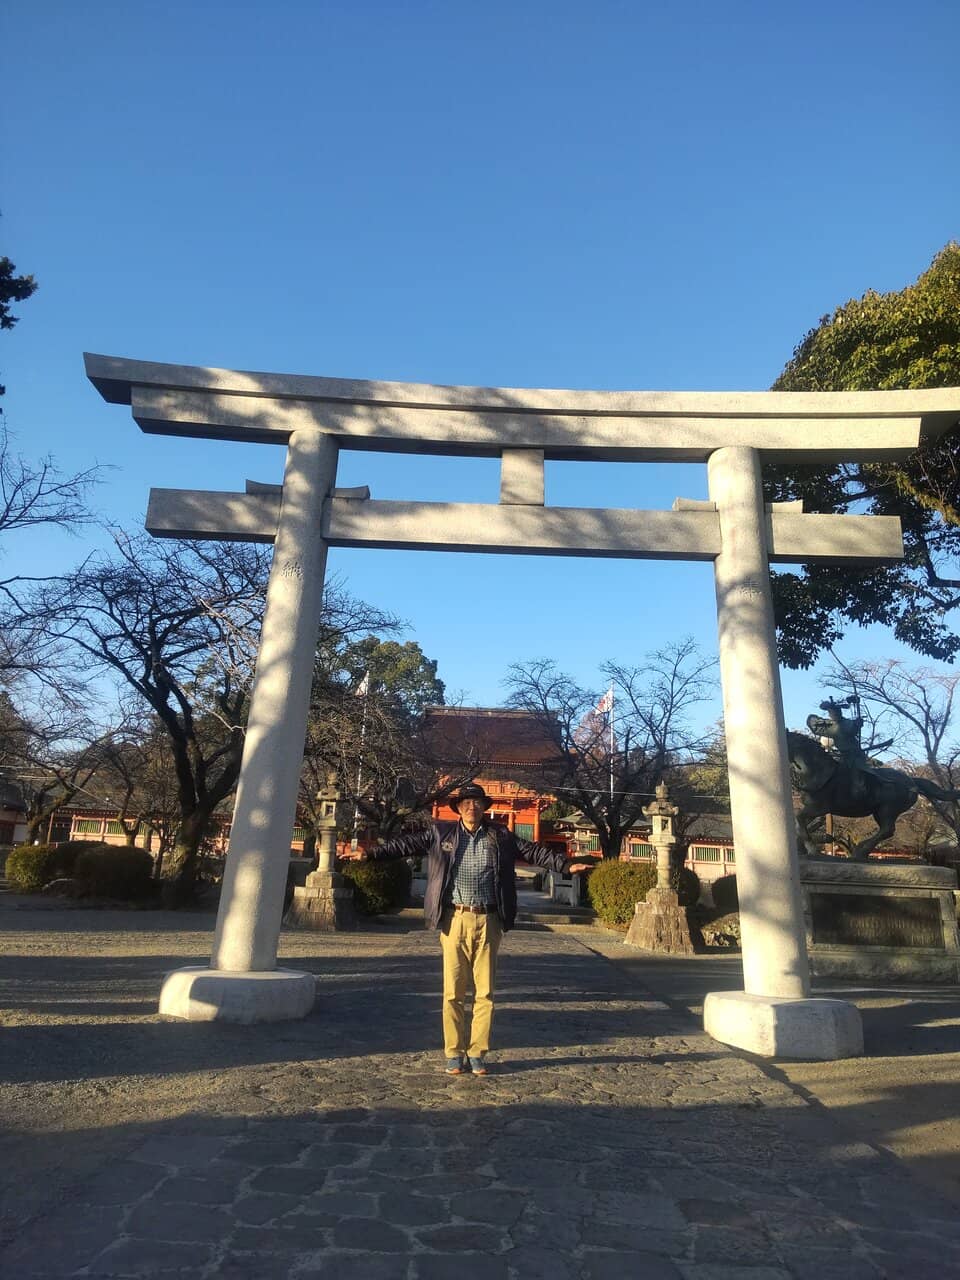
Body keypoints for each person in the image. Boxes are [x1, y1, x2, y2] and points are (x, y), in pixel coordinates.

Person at [354, 782, 594, 1075]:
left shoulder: (500, 836)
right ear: (458, 807)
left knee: (485, 992)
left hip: (489, 919)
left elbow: (533, 852)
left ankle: (478, 1052)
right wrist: (371, 854)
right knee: (453, 992)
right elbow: (405, 845)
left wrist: (566, 866)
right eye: (466, 802)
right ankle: (454, 1053)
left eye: (477, 802)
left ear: (484, 806)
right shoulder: (442, 833)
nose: (472, 806)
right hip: (455, 918)